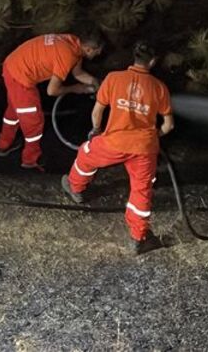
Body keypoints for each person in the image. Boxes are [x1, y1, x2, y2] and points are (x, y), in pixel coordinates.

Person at [61, 41, 174, 255]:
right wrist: (152, 137)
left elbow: (97, 112)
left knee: (85, 154)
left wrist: (96, 131)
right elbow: (168, 126)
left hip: (113, 142)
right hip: (144, 149)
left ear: (134, 57)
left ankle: (76, 189)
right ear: (152, 62)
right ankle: (139, 239)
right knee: (141, 190)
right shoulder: (159, 87)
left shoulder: (113, 78)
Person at [0, 31, 103, 171]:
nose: (99, 54)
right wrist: (76, 89)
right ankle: (31, 160)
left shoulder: (73, 43)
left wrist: (95, 82)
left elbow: (78, 73)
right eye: (98, 51)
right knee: (34, 120)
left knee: (14, 111)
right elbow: (52, 91)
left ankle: (4, 145)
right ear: (89, 49)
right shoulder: (67, 55)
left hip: (13, 65)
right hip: (20, 76)